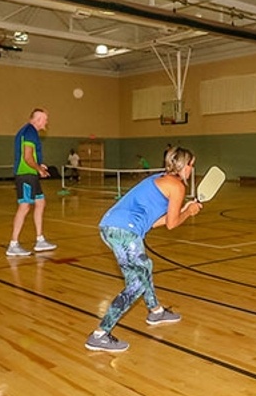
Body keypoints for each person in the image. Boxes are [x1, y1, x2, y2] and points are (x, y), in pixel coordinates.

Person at [85, 146, 203, 353]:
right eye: (192, 165)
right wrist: (189, 212)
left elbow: (154, 221)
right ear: (184, 166)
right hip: (125, 231)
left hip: (110, 227)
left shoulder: (159, 179)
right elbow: (172, 224)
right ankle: (100, 334)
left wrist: (184, 210)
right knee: (138, 281)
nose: (192, 169)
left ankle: (156, 311)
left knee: (142, 270)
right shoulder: (177, 186)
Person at [6, 108, 57, 257]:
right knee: (25, 206)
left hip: (30, 173)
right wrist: (38, 169)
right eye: (45, 119)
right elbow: (27, 157)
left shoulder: (28, 131)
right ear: (38, 119)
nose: (46, 122)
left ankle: (40, 240)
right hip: (26, 174)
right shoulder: (30, 132)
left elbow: (30, 156)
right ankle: (13, 244)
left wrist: (40, 166)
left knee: (40, 202)